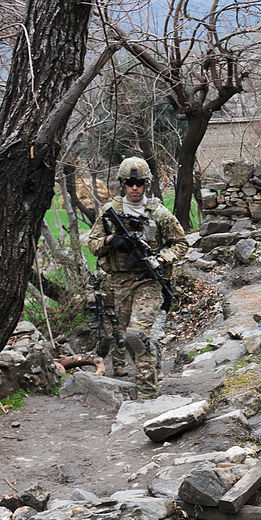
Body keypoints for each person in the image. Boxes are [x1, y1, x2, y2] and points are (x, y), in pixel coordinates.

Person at [88, 157, 188, 398]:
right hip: (119, 282)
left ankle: (147, 392)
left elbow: (181, 244)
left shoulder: (158, 213)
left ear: (146, 184)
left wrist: (161, 259)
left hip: (148, 280)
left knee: (137, 333)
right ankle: (150, 370)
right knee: (125, 337)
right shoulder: (110, 212)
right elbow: (92, 244)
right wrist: (111, 241)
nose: (135, 188)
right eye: (130, 183)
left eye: (139, 183)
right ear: (123, 184)